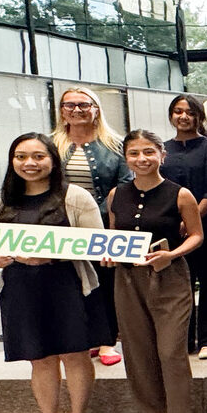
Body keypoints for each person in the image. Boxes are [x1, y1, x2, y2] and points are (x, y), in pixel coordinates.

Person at [0, 134, 110, 413]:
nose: (30, 163)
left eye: (39, 157)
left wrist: (53, 256)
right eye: (22, 156)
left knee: (74, 353)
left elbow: (98, 245)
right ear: (12, 160)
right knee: (38, 357)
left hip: (68, 285)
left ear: (53, 160)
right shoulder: (0, 200)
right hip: (20, 289)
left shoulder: (75, 197)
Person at [106, 130, 205, 413]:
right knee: (138, 351)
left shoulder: (180, 194)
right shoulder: (114, 196)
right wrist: (108, 254)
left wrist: (172, 254)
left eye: (149, 152)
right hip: (127, 280)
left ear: (162, 155)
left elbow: (195, 236)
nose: (142, 159)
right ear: (126, 158)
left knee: (170, 350)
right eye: (134, 153)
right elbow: (112, 235)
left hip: (169, 277)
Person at [53, 86, 129, 366]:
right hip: (60, 226)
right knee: (71, 283)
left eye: (84, 105)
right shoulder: (51, 146)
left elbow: (124, 184)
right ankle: (84, 338)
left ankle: (107, 340)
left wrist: (93, 217)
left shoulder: (116, 144)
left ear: (96, 109)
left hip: (102, 223)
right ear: (62, 111)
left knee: (103, 281)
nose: (76, 110)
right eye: (69, 105)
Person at [161, 94, 207, 360]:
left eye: (189, 112)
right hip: (171, 227)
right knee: (179, 284)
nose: (183, 117)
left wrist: (192, 220)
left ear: (199, 116)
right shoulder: (163, 149)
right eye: (178, 111)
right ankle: (183, 338)